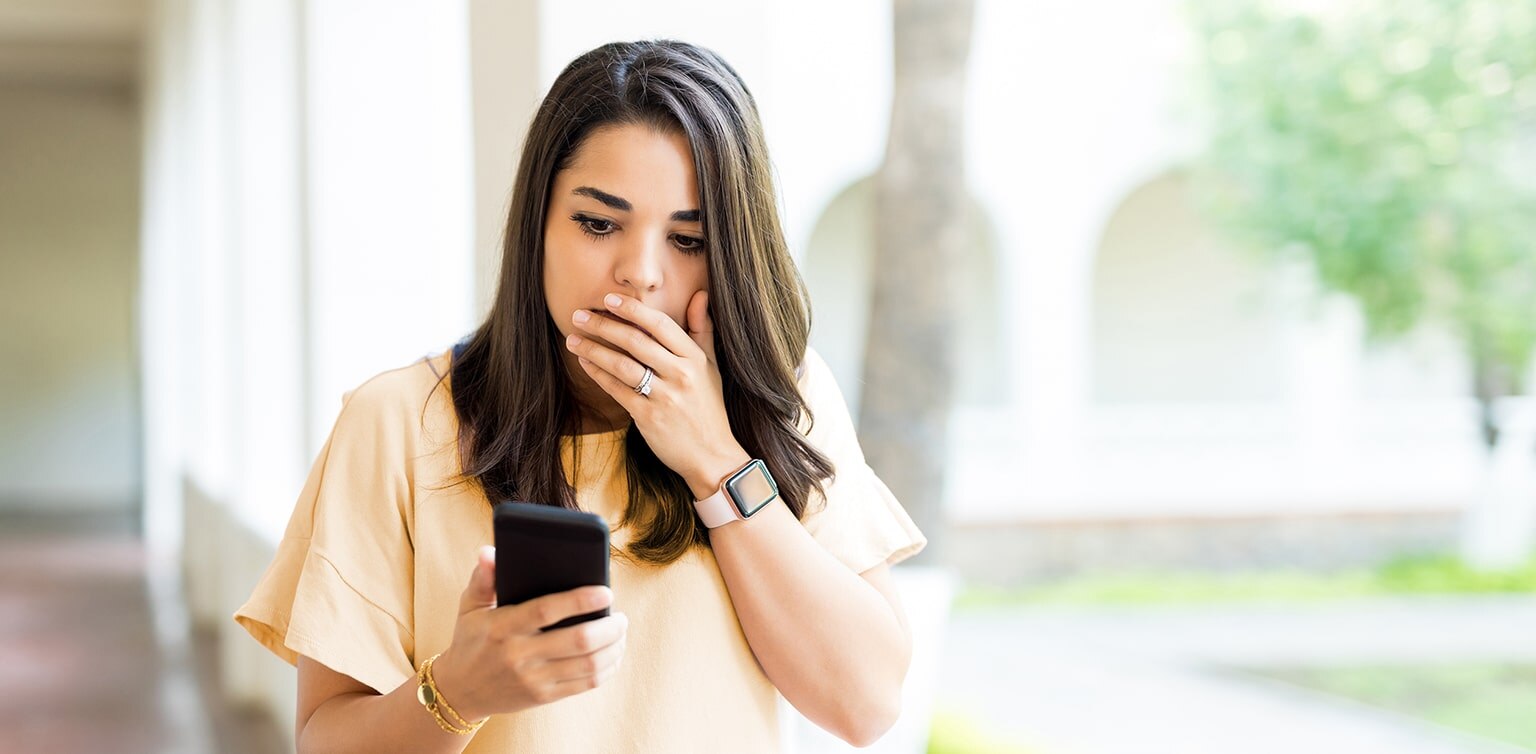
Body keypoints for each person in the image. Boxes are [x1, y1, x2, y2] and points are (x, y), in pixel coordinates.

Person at [234, 39, 925, 753]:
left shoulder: (784, 392)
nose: (640, 274)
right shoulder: (397, 422)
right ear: (537, 224)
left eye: (688, 239)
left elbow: (866, 704)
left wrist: (716, 461)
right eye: (598, 224)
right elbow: (325, 738)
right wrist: (457, 692)